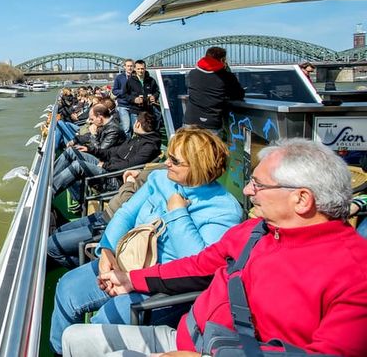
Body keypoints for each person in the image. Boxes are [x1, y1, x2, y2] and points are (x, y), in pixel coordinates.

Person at [63, 138, 367, 357]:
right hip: (187, 338)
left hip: (213, 350)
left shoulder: (355, 273)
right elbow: (198, 265)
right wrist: (131, 280)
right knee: (74, 338)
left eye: (258, 186)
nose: (248, 191)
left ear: (301, 199)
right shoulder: (256, 231)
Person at [50, 127, 242, 354]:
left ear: (199, 166)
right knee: (67, 288)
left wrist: (177, 214)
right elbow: (126, 213)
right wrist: (107, 252)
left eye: (174, 160)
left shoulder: (224, 210)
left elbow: (198, 265)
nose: (166, 163)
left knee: (106, 320)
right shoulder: (160, 178)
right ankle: (61, 351)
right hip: (127, 263)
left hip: (164, 287)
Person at [48, 166, 152, 268]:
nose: (168, 163)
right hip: (104, 214)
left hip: (109, 225)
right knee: (57, 233)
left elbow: (128, 202)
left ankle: (92, 267)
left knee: (51, 246)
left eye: (169, 159)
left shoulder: (160, 177)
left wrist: (129, 182)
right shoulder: (160, 169)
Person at [52, 111, 160, 205]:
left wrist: (105, 165)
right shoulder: (137, 139)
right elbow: (112, 151)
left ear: (138, 124)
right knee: (72, 151)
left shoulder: (149, 146)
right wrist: (90, 149)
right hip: (108, 167)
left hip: (114, 178)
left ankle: (50, 191)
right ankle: (49, 178)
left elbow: (129, 164)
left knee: (78, 165)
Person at [183, 46, 244, 132]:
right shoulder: (226, 76)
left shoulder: (192, 74)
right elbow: (239, 94)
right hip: (211, 123)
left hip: (190, 120)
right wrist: (226, 69)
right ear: (222, 60)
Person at [123, 60, 160, 131]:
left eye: (142, 69)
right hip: (135, 111)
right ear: (135, 69)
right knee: (137, 131)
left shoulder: (151, 80)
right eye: (138, 69)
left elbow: (157, 91)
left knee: (149, 130)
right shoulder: (130, 81)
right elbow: (125, 94)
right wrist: (134, 99)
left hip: (148, 110)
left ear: (145, 68)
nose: (140, 71)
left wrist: (154, 97)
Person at [112, 59, 135, 137]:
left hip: (134, 105)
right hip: (123, 105)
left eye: (131, 66)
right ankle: (127, 145)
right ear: (124, 67)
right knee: (126, 127)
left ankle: (133, 144)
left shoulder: (136, 77)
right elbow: (114, 91)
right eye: (128, 66)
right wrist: (123, 91)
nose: (129, 68)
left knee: (134, 127)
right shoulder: (119, 78)